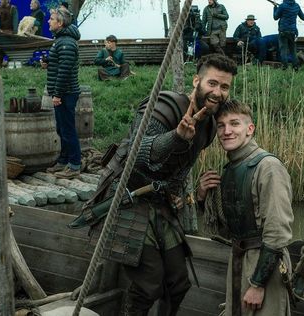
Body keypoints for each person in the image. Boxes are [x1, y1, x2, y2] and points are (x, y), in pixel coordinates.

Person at [84, 54, 237, 316]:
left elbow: (182, 166)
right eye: (212, 83)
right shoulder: (163, 106)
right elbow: (138, 152)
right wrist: (176, 137)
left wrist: (176, 193)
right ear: (196, 80)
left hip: (159, 204)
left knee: (178, 283)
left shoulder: (209, 127)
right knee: (149, 283)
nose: (218, 92)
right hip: (125, 197)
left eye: (224, 87)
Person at [197, 100, 294, 316]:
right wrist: (203, 197)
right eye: (221, 126)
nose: (227, 131)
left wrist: (258, 284)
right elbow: (223, 232)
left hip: (265, 266)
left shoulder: (268, 167)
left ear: (250, 129)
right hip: (239, 261)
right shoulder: (231, 169)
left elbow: (278, 231)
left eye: (234, 124)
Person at [41, 7, 81, 179]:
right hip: (63, 92)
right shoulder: (61, 40)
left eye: (51, 19)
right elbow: (61, 62)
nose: (48, 21)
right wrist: (49, 61)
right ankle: (63, 161)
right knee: (61, 128)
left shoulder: (66, 42)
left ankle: (74, 165)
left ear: (60, 23)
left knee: (68, 129)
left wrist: (57, 94)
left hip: (66, 92)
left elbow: (64, 71)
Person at [273, 0, 304, 71]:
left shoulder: (282, 6)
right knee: (293, 51)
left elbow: (275, 17)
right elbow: (303, 18)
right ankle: (295, 67)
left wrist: (275, 7)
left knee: (283, 51)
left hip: (283, 32)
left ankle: (285, 67)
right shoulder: (296, 6)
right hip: (293, 32)